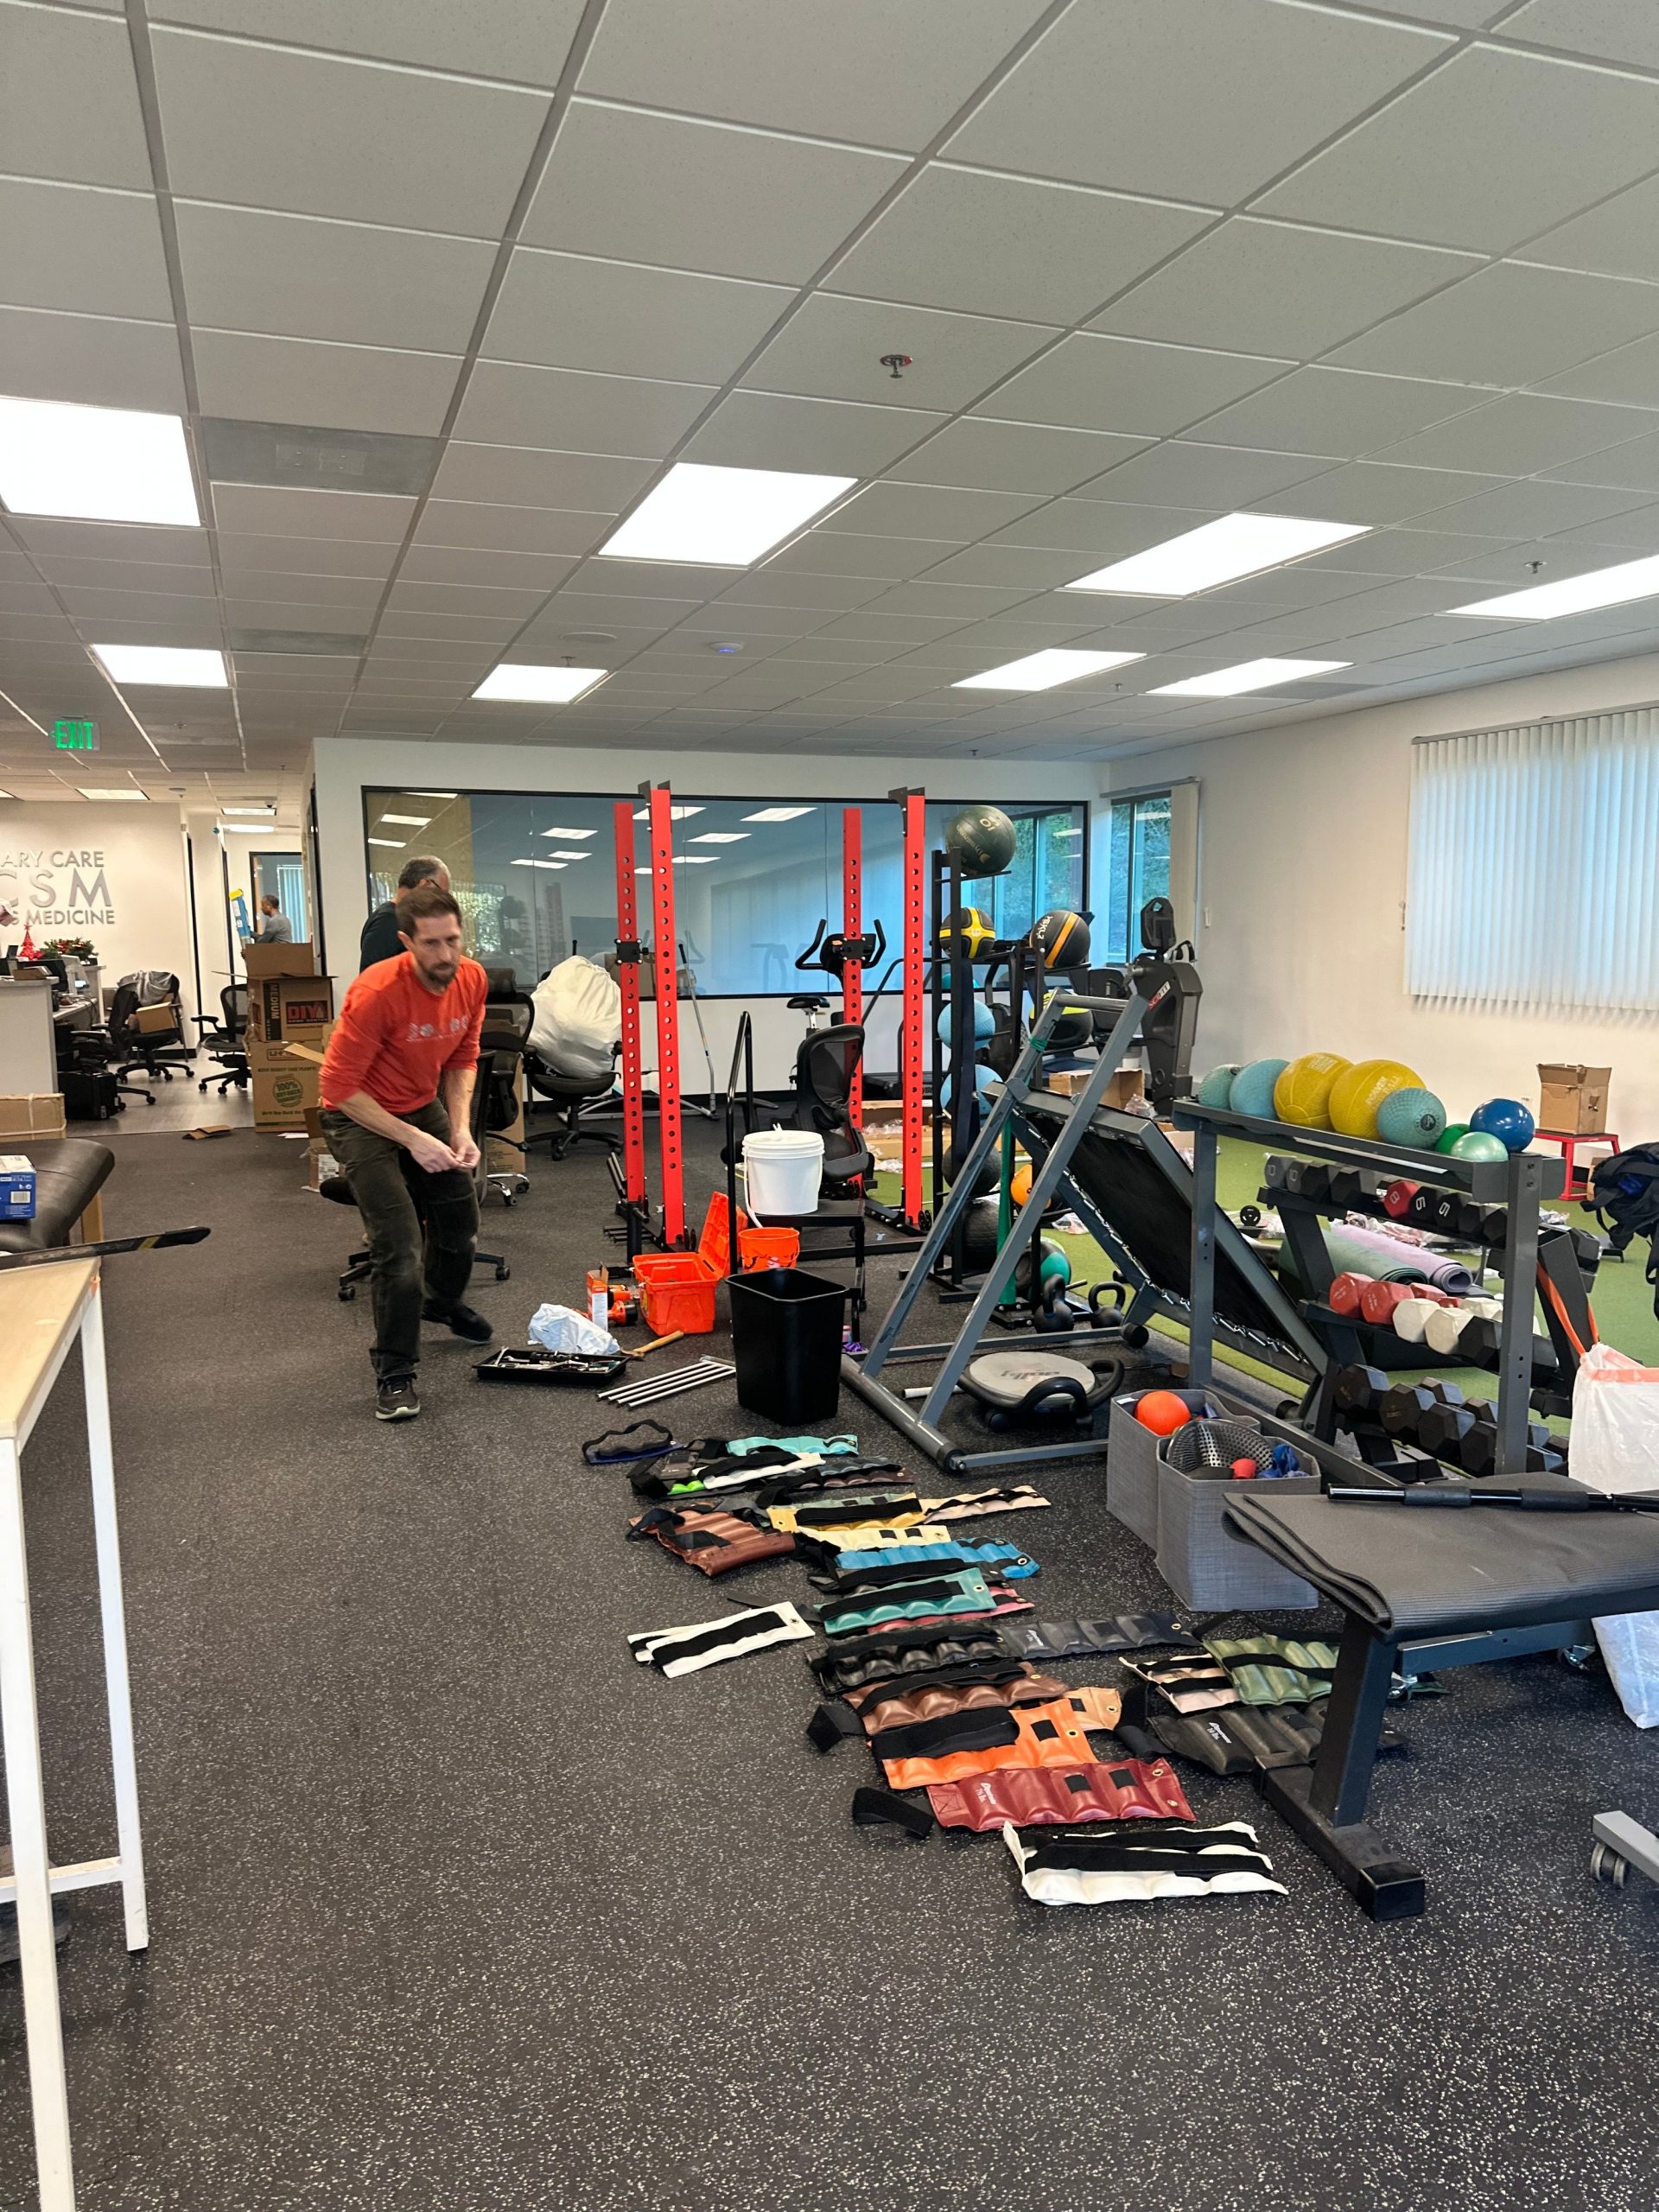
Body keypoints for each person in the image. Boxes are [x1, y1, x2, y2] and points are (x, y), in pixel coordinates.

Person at [321, 883, 491, 1422]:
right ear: (407, 942)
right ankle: (395, 1372)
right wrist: (414, 1140)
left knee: (460, 1219)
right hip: (358, 1115)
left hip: (421, 1104)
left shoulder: (472, 979)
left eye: (453, 941)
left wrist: (458, 1129)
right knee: (399, 1247)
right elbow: (338, 1088)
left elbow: (462, 1058)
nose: (445, 955)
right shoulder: (377, 992)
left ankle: (440, 1302)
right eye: (431, 944)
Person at [360, 855, 449, 970]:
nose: (441, 900)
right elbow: (372, 976)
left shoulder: (404, 919)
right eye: (441, 893)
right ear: (425, 884)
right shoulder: (387, 921)